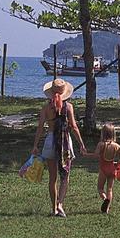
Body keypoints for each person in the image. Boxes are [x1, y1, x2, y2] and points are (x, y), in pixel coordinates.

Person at [32, 78, 87, 217]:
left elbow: (40, 128)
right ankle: (60, 204)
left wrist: (35, 145)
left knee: (52, 178)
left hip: (50, 141)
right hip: (64, 142)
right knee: (65, 176)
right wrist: (81, 144)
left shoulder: (45, 108)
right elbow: (74, 127)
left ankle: (53, 208)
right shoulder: (68, 107)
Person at [83, 123, 120, 213]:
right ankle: (107, 209)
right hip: (112, 168)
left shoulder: (101, 144)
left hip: (103, 169)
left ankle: (105, 199)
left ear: (103, 133)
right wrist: (117, 163)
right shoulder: (116, 145)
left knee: (100, 188)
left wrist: (86, 154)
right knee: (110, 189)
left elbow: (96, 155)